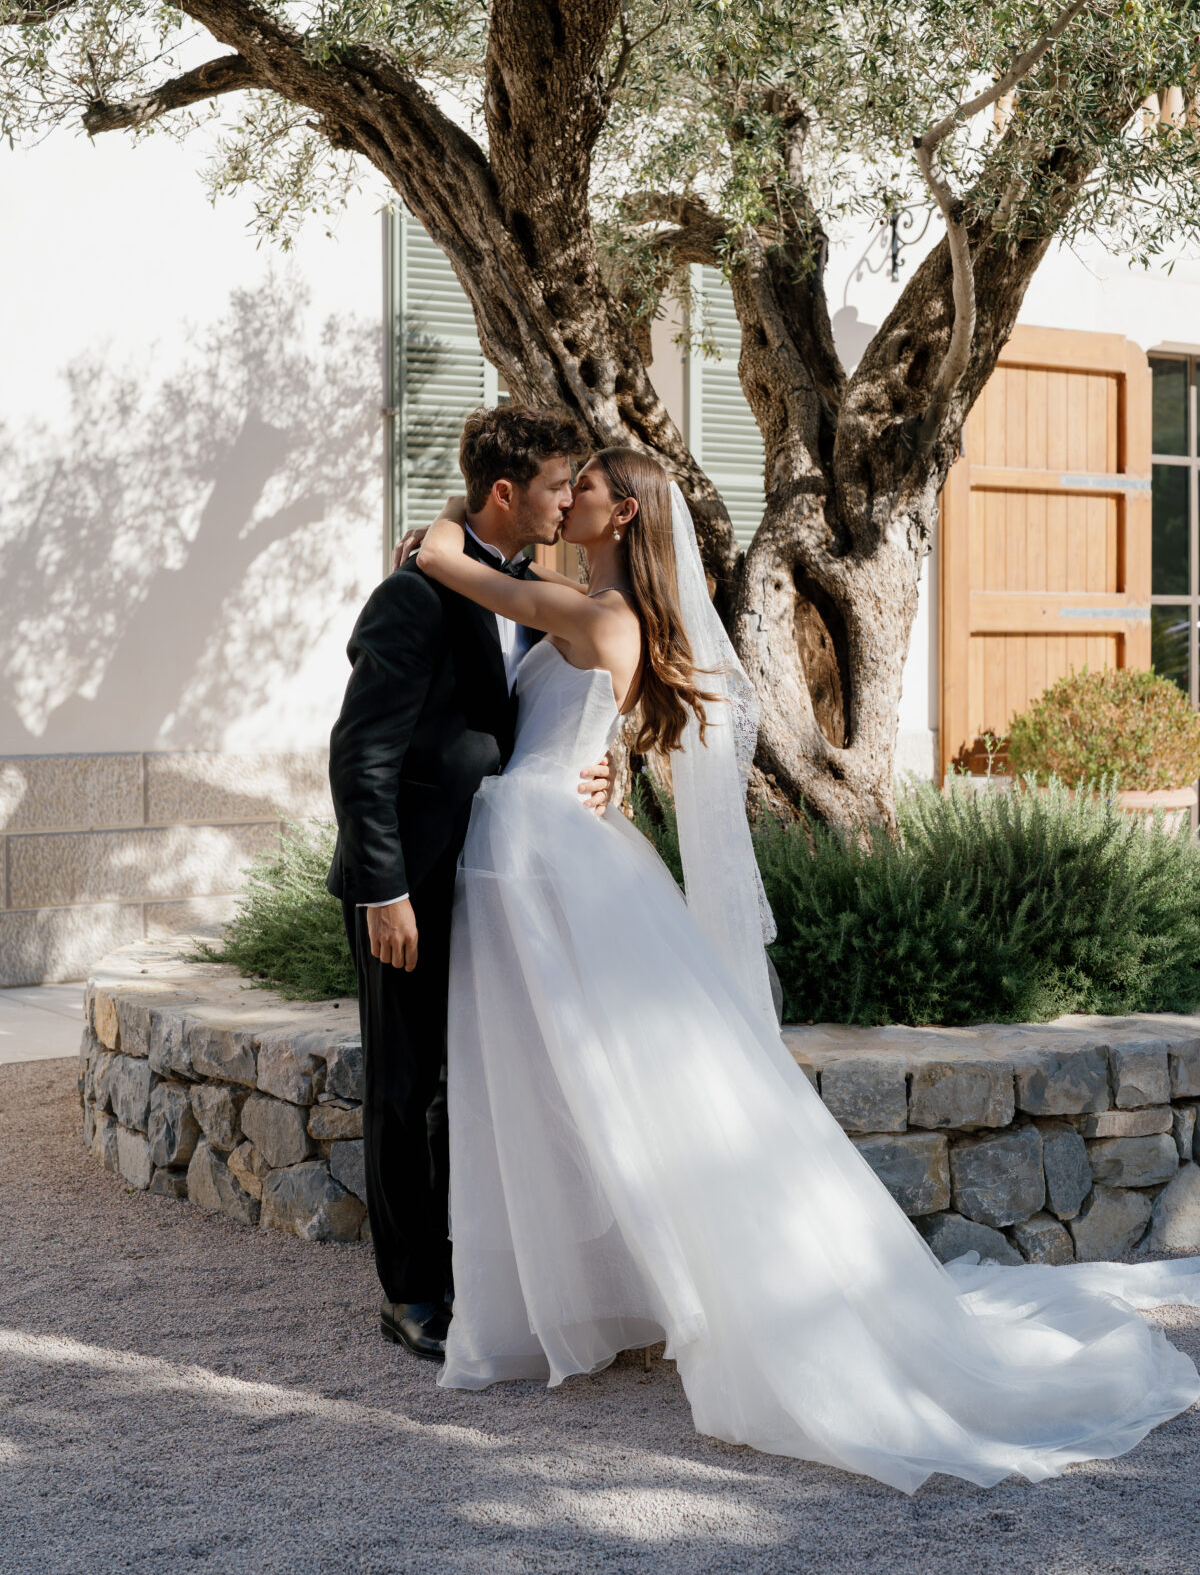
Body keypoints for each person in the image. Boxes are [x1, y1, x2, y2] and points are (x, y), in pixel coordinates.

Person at [414, 444, 1200, 1494]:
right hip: (546, 850)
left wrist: (441, 530)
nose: (568, 499)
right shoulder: (586, 606)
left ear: (626, 514)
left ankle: (690, 1295)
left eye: (584, 488)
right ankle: (597, 1296)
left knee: (614, 1086)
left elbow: (458, 565)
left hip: (550, 856)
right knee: (562, 1084)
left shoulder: (603, 618)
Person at [326, 406, 614, 1362]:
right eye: (556, 485)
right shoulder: (413, 598)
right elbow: (360, 755)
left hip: (495, 884)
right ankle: (410, 1292)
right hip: (410, 887)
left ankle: (474, 1270)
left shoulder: (519, 589)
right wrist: (384, 892)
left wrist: (607, 769)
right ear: (504, 492)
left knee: (479, 1083)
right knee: (405, 1088)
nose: (566, 500)